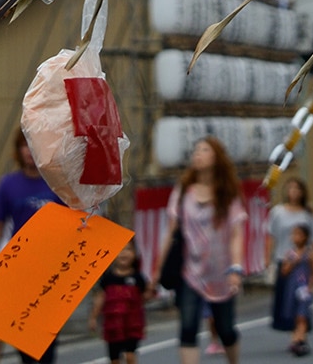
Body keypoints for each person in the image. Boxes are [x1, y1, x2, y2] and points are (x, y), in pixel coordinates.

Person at [158, 135, 246, 364]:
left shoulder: (227, 193)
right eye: (195, 150)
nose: (197, 154)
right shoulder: (183, 192)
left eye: (204, 150)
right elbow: (171, 232)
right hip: (191, 272)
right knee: (188, 327)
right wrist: (157, 270)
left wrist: (236, 268)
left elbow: (236, 234)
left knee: (226, 330)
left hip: (222, 272)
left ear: (216, 157)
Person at [0, 130, 63, 364]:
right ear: (18, 151)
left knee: (47, 342)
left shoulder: (57, 183)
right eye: (24, 146)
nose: (29, 151)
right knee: (24, 340)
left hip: (50, 271)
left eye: (33, 145)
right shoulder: (8, 184)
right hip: (19, 270)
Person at [91, 241, 148, 364]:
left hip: (132, 324)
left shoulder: (138, 278)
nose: (124, 254)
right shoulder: (108, 278)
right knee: (114, 358)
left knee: (130, 355)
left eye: (128, 249)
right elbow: (101, 297)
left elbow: (144, 297)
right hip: (113, 325)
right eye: (120, 250)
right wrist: (94, 318)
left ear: (134, 254)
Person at [271, 222, 313, 357]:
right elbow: (284, 271)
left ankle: (300, 340)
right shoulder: (290, 254)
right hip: (291, 289)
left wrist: (310, 287)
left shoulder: (309, 254)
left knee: (302, 315)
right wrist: (293, 262)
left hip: (303, 288)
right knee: (292, 314)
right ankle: (296, 339)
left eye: (298, 234)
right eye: (293, 234)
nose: (294, 237)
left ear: (305, 237)